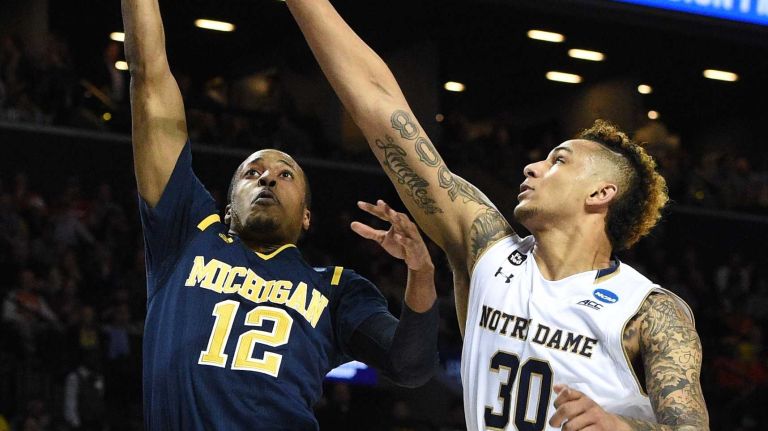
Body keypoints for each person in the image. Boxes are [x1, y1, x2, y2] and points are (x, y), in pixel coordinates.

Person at [284, 1, 709, 429]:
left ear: (601, 193)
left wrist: (622, 427)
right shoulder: (486, 250)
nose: (533, 167)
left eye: (558, 161)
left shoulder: (649, 310)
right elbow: (379, 105)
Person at [120, 0, 439, 429]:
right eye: (253, 172)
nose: (267, 178)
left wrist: (421, 272)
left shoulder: (337, 290)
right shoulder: (186, 233)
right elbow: (149, 77)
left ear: (307, 216)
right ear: (228, 205)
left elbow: (411, 366)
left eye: (285, 174)